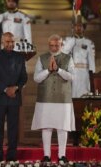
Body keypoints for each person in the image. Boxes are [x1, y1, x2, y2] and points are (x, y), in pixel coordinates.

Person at [31, 34, 75, 163]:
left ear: (61, 45)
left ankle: (62, 155)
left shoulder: (68, 58)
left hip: (63, 98)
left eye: (57, 45)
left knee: (62, 127)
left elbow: (72, 77)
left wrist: (58, 70)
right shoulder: (42, 58)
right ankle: (47, 155)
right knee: (46, 127)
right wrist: (48, 70)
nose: (54, 47)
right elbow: (36, 78)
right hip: (45, 97)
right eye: (51, 45)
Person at [0, 32, 28, 161]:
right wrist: (6, 89)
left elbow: (24, 77)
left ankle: (11, 156)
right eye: (7, 42)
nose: (10, 44)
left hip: (14, 98)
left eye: (12, 42)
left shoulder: (20, 57)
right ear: (2, 42)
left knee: (13, 129)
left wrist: (15, 88)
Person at [62, 14, 95, 98]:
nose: (78, 28)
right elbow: (64, 52)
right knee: (73, 96)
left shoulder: (88, 43)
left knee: (85, 95)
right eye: (76, 26)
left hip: (85, 73)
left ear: (84, 28)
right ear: (73, 28)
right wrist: (73, 40)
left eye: (80, 26)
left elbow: (91, 60)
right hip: (73, 72)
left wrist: (92, 75)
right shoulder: (68, 41)